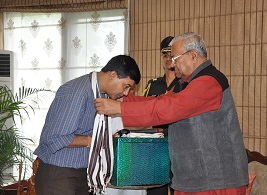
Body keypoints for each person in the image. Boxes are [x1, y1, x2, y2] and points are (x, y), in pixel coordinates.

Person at [94, 32, 249, 195]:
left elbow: (169, 108)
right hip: (193, 178)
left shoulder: (209, 81)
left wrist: (119, 109)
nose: (172, 65)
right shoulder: (186, 83)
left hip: (216, 180)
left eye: (175, 58)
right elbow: (159, 101)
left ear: (193, 55)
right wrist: (122, 100)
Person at [34, 55, 141, 195]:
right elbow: (54, 137)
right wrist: (93, 141)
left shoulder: (102, 94)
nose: (126, 92)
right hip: (59, 172)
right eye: (126, 86)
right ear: (112, 75)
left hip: (84, 172)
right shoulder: (76, 91)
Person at [142, 36, 178, 195]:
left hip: (180, 147)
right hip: (156, 149)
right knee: (156, 191)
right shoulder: (152, 85)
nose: (168, 58)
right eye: (165, 55)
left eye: (171, 54)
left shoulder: (187, 85)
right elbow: (143, 114)